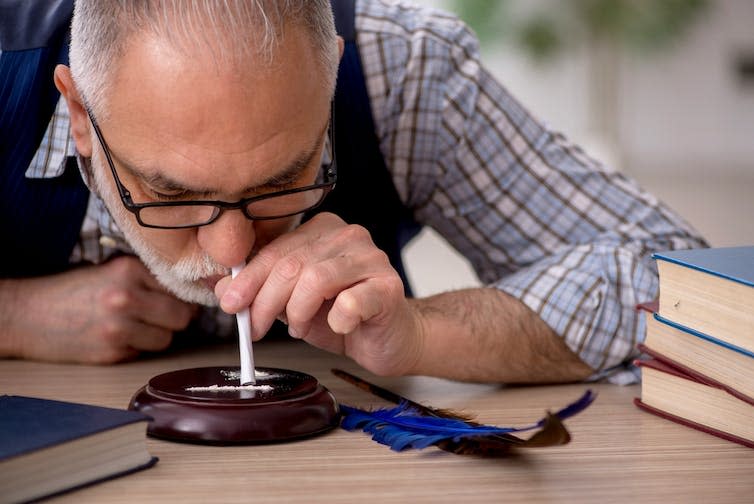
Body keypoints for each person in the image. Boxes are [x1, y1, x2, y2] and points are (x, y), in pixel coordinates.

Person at [0, 0, 706, 384]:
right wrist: (13, 316)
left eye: (282, 181)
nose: (231, 250)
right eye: (170, 192)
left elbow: (687, 285)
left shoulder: (401, 68)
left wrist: (425, 334)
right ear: (81, 116)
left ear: (332, 76)